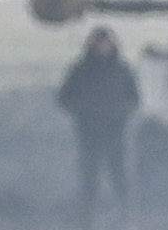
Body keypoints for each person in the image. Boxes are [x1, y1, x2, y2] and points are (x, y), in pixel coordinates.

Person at [58, 25, 140, 214]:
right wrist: (82, 112)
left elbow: (134, 98)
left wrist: (121, 112)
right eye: (100, 44)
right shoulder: (81, 70)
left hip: (115, 132)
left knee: (119, 179)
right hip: (89, 134)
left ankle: (127, 222)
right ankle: (86, 226)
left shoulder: (121, 70)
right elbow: (64, 97)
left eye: (106, 44)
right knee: (89, 182)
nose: (103, 47)